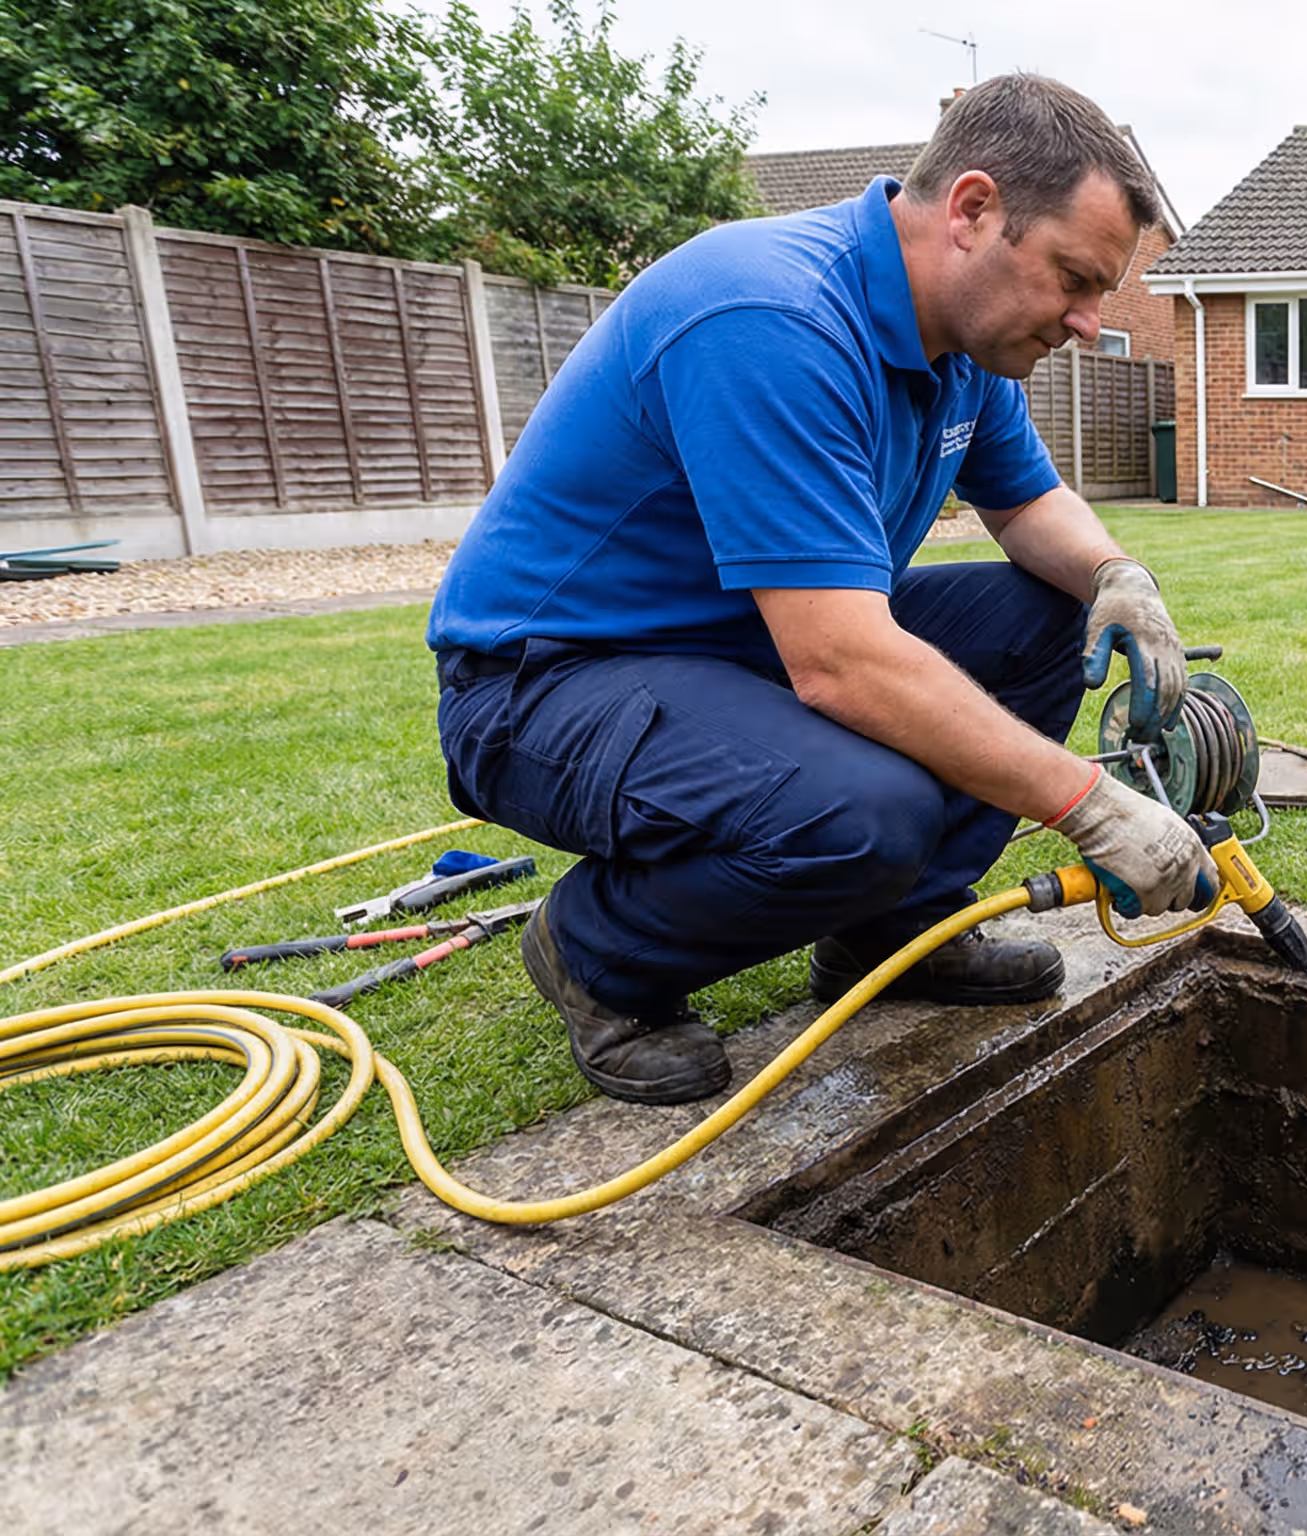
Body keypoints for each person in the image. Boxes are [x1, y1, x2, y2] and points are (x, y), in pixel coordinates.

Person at [426, 74, 1217, 1108]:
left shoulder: (963, 347)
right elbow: (840, 663)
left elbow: (1027, 505)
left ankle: (890, 930)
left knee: (1047, 618)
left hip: (739, 649)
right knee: (864, 813)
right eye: (1073, 277)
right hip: (548, 682)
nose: (1085, 320)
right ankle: (594, 950)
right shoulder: (771, 316)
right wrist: (1092, 806)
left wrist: (1118, 576)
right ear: (973, 210)